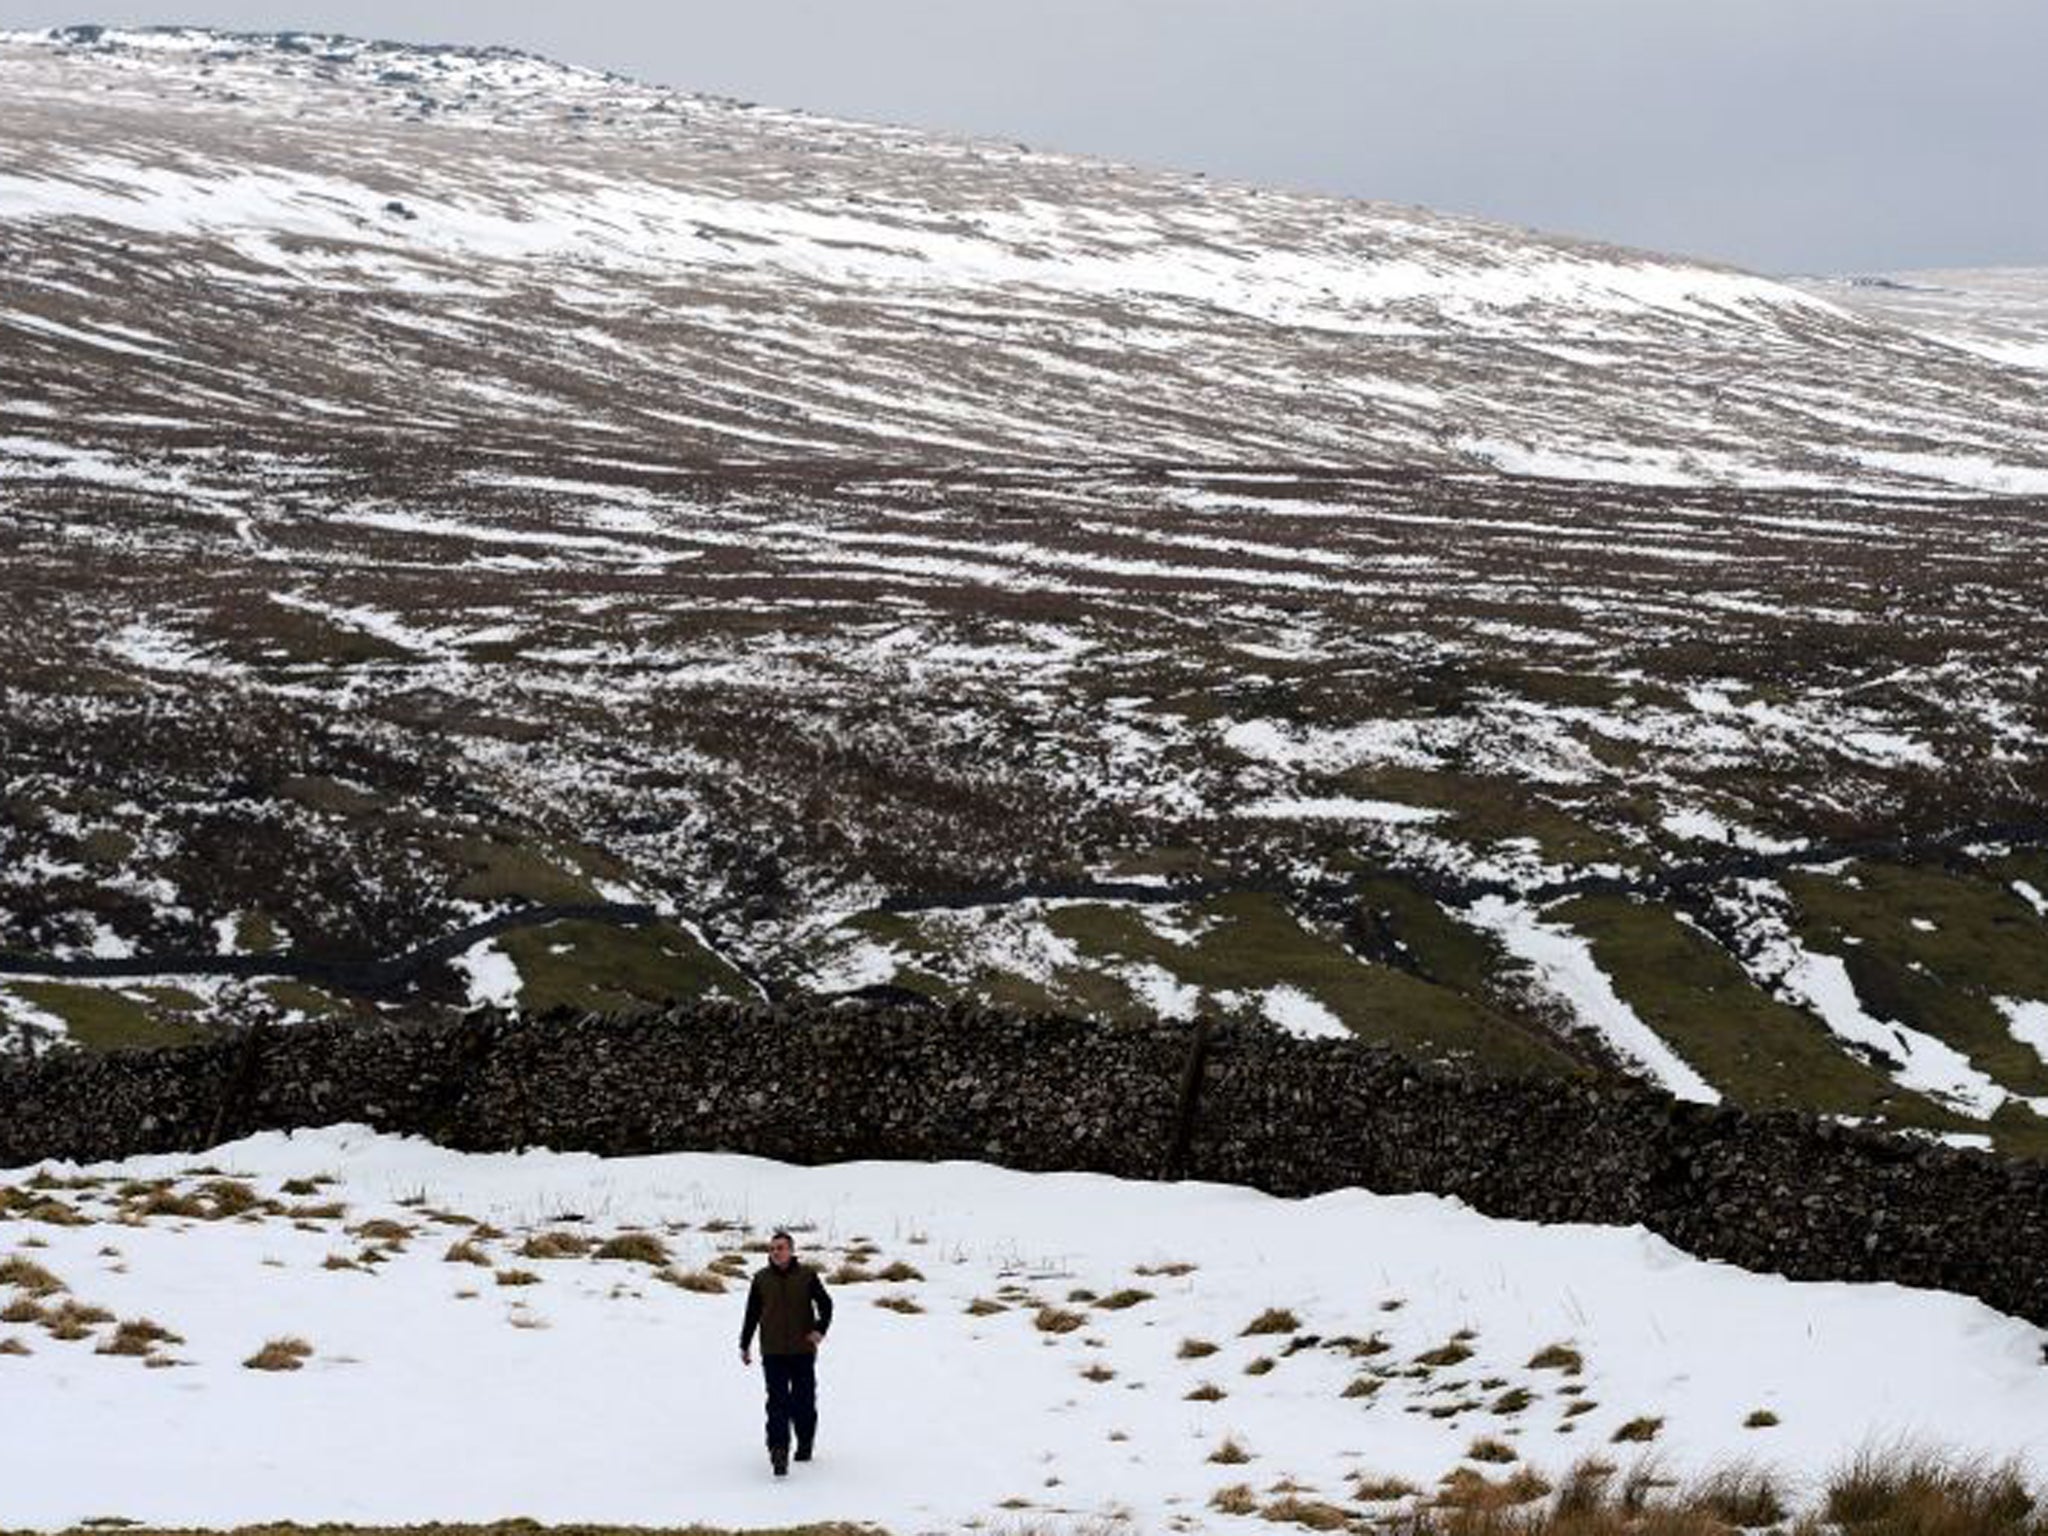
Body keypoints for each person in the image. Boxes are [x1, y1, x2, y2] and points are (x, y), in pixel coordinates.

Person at [738, 1228, 834, 1476]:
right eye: (772, 1248)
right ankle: (778, 1451)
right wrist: (745, 1344)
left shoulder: (807, 1276)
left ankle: (805, 1441)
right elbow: (752, 1314)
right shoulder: (761, 1279)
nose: (776, 1252)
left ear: (791, 1251)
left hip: (803, 1350)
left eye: (780, 1248)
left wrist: (819, 1330)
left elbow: (825, 1304)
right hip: (773, 1352)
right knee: (777, 1403)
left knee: (804, 1402)